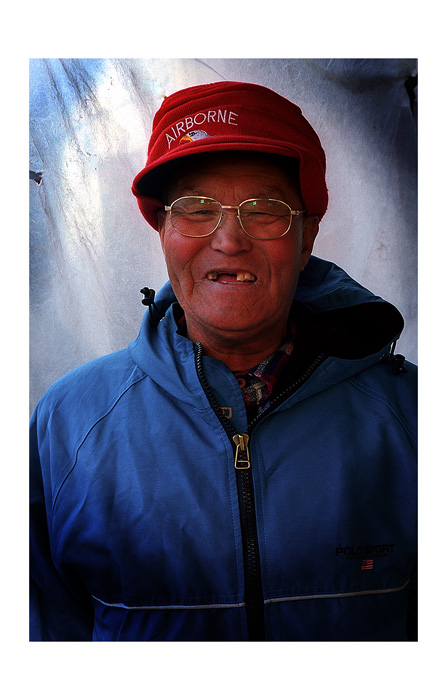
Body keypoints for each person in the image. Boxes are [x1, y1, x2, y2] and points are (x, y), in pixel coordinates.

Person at [29, 81, 417, 641]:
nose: (229, 240)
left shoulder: (412, 415)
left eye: (264, 210)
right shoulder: (69, 422)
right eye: (195, 209)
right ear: (163, 230)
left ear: (306, 237)